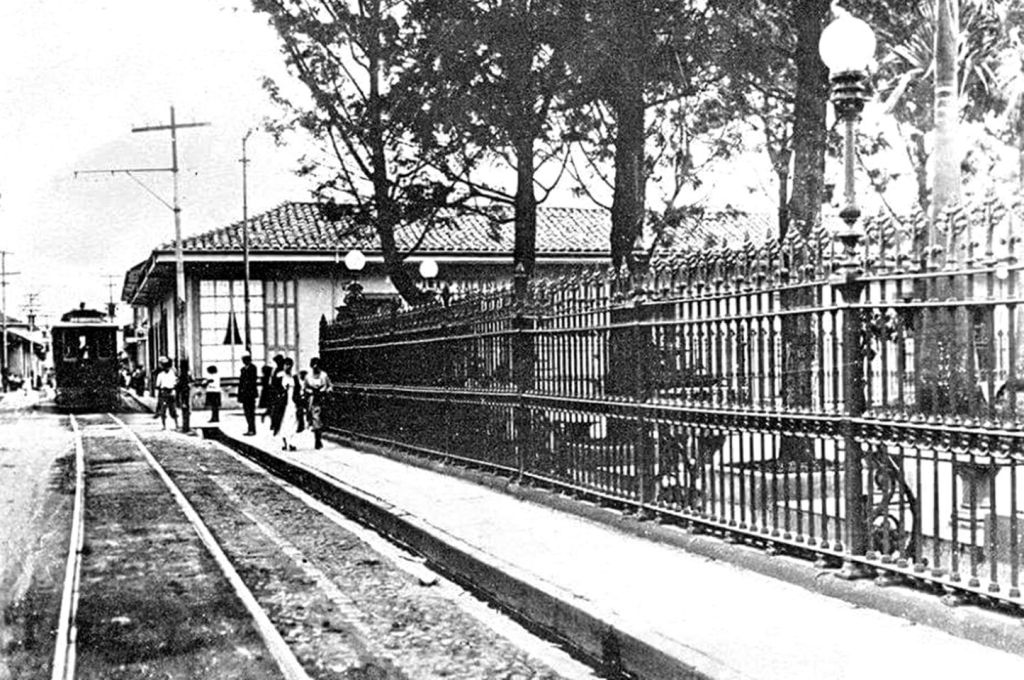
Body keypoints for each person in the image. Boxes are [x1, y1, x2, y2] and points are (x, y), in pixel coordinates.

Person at [303, 357, 332, 450]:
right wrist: (310, 391)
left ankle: (319, 436)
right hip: (313, 399)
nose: (315, 367)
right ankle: (317, 439)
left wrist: (326, 390)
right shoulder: (308, 376)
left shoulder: (324, 375)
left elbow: (330, 386)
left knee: (320, 418)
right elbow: (305, 387)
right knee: (316, 418)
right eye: (313, 365)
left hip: (322, 398)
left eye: (317, 365)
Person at [273, 357, 300, 451]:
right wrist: (282, 391)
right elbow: (274, 388)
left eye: (289, 365)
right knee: (283, 421)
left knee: (293, 421)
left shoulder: (294, 377)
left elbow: (298, 389)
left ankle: (291, 442)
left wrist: (298, 400)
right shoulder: (279, 376)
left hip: (292, 401)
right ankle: (285, 442)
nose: (287, 367)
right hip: (283, 403)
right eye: (286, 365)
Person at [154, 357, 178, 430]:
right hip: (163, 393)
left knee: (173, 409)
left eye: (167, 366)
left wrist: (174, 391)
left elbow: (175, 383)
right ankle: (164, 425)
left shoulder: (173, 373)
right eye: (164, 366)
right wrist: (157, 394)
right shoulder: (160, 375)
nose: (166, 368)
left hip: (171, 392)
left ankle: (176, 424)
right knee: (163, 410)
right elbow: (158, 385)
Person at [238, 353, 259, 436]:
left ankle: (252, 429)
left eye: (246, 360)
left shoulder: (253, 368)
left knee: (251, 412)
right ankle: (249, 428)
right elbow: (241, 383)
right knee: (246, 412)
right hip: (244, 394)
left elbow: (252, 381)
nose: (244, 362)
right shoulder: (242, 369)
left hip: (250, 394)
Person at [268, 355, 287, 433]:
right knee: (275, 410)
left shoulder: (284, 370)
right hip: (275, 392)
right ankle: (275, 424)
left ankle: (277, 425)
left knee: (280, 410)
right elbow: (271, 381)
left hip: (282, 392)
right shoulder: (275, 370)